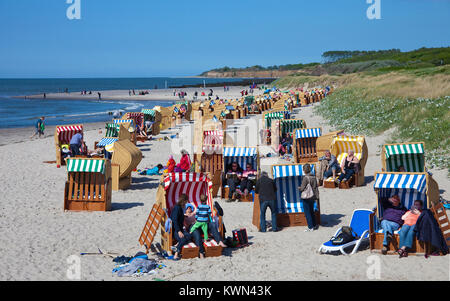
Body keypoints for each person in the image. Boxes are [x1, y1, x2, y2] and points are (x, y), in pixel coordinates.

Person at [170, 194, 192, 260]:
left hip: (180, 229)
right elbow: (174, 220)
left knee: (189, 236)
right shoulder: (177, 208)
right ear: (184, 201)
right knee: (183, 239)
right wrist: (179, 231)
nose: (186, 204)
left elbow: (178, 217)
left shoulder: (179, 208)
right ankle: (176, 254)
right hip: (175, 230)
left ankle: (177, 245)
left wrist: (184, 216)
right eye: (186, 202)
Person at [298, 164, 320, 231]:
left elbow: (302, 188)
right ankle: (314, 225)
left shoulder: (306, 178)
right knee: (311, 211)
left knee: (307, 212)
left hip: (307, 196)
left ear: (304, 170)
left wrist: (299, 188)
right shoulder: (313, 177)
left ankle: (310, 227)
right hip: (313, 196)